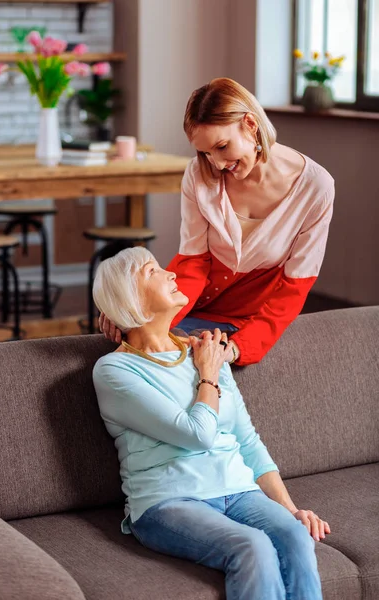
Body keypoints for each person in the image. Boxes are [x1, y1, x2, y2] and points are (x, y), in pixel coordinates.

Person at [93, 246, 330, 600]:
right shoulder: (115, 371)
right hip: (169, 502)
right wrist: (208, 372)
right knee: (253, 546)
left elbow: (247, 440)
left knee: (296, 535)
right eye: (152, 271)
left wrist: (291, 510)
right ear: (131, 299)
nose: (171, 273)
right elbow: (197, 435)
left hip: (239, 491)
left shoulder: (202, 350)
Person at [99, 78, 335, 367]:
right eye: (205, 153)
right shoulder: (199, 175)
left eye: (222, 147)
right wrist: (136, 314)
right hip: (187, 310)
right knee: (126, 359)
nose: (217, 164)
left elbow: (293, 287)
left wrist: (238, 348)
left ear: (250, 124)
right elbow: (193, 263)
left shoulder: (315, 187)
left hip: (246, 323)